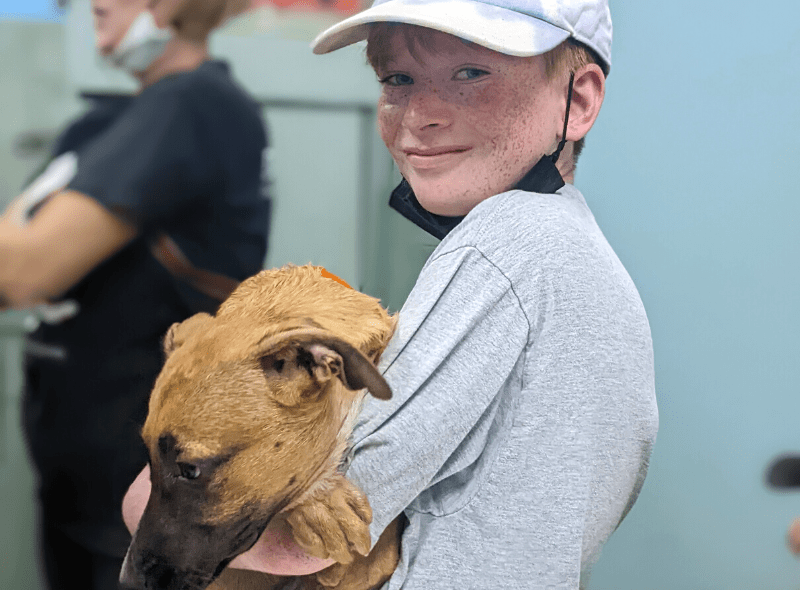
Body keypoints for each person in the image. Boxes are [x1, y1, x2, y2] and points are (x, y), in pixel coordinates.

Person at [124, 0, 659, 587]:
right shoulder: (578, 255)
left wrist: (147, 492)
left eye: (470, 73)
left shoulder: (512, 242)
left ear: (577, 100)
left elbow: (320, 533)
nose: (419, 114)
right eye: (396, 79)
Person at [0, 0, 271, 588]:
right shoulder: (110, 121)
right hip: (77, 461)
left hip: (137, 483)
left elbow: (21, 271)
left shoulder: (191, 104)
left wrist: (20, 247)